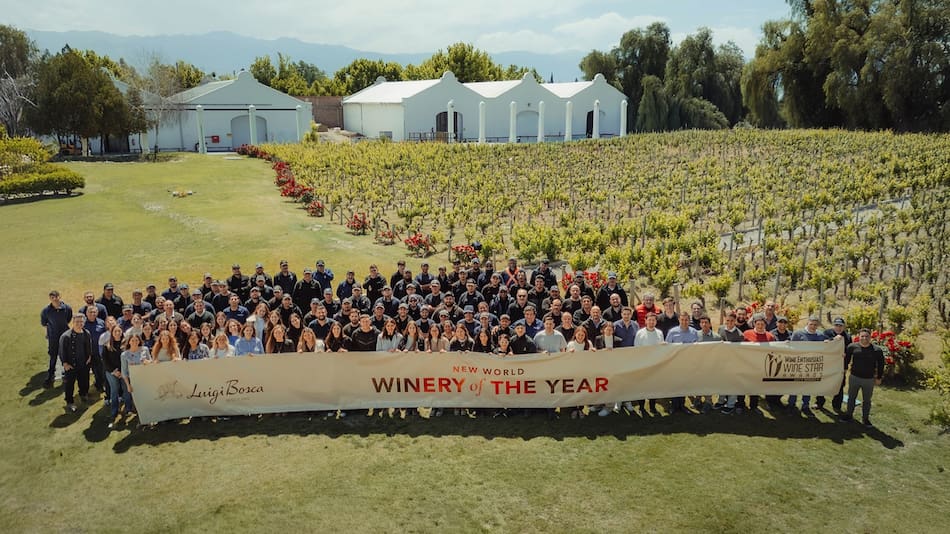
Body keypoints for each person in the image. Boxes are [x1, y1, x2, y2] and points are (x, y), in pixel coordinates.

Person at [839, 329, 886, 428]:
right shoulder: (852, 347)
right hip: (854, 377)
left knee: (867, 400)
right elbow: (846, 359)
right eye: (862, 336)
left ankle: (865, 419)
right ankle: (848, 415)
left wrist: (879, 377)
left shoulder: (877, 350)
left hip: (868, 380)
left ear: (870, 337)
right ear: (859, 336)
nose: (864, 338)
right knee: (851, 398)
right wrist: (843, 369)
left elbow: (881, 364)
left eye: (866, 336)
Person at [787, 316, 828, 415]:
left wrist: (828, 344)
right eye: (811, 324)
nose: (813, 326)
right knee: (795, 385)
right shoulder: (798, 333)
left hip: (811, 366)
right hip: (798, 364)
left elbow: (825, 348)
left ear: (817, 325)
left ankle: (805, 405)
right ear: (807, 323)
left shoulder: (820, 335)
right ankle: (791, 404)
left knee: (808, 386)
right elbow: (791, 348)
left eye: (815, 325)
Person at [59, 314, 93, 412]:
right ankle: (69, 402)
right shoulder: (66, 336)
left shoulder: (86, 333)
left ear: (84, 322)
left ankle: (83, 395)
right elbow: (62, 351)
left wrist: (89, 357)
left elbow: (89, 346)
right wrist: (65, 363)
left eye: (81, 322)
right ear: (73, 323)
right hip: (71, 365)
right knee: (69, 385)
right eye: (77, 322)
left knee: (84, 381)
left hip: (83, 364)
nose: (79, 324)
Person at [41, 290, 73, 387]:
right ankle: (51, 375)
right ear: (50, 298)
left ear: (59, 297)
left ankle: (66, 374)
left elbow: (68, 319)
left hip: (65, 336)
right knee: (53, 356)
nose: (54, 299)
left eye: (56, 297)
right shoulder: (46, 311)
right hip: (53, 337)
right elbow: (44, 323)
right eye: (52, 298)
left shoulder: (67, 308)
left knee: (66, 355)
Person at [635, 313, 664, 414]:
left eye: (653, 320)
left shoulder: (659, 333)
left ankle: (652, 407)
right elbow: (636, 349)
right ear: (645, 321)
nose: (651, 322)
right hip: (642, 365)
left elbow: (661, 349)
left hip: (655, 365)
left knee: (653, 387)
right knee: (642, 387)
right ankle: (641, 407)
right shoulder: (640, 333)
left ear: (656, 321)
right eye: (649, 320)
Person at [822, 317, 852, 412]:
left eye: (840, 326)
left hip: (841, 366)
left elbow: (849, 351)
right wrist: (833, 339)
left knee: (840, 384)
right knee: (823, 382)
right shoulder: (827, 333)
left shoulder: (847, 336)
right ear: (833, 326)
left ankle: (836, 405)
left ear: (844, 327)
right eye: (836, 325)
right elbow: (822, 345)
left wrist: (845, 356)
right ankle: (819, 402)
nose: (838, 328)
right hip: (827, 363)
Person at [120, 333, 150, 415]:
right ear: (129, 342)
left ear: (139, 341)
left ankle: (144, 412)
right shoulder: (124, 355)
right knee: (131, 395)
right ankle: (130, 410)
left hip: (143, 377)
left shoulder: (145, 349)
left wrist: (147, 362)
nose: (134, 342)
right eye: (132, 340)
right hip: (131, 378)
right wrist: (128, 385)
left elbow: (151, 362)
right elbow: (124, 371)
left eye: (136, 340)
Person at [101, 325, 126, 416]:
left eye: (119, 331)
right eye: (115, 331)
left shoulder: (126, 344)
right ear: (112, 333)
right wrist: (114, 371)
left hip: (124, 371)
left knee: (126, 390)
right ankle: (114, 411)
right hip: (111, 371)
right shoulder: (107, 345)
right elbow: (105, 360)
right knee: (114, 390)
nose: (117, 333)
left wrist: (122, 371)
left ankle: (128, 409)